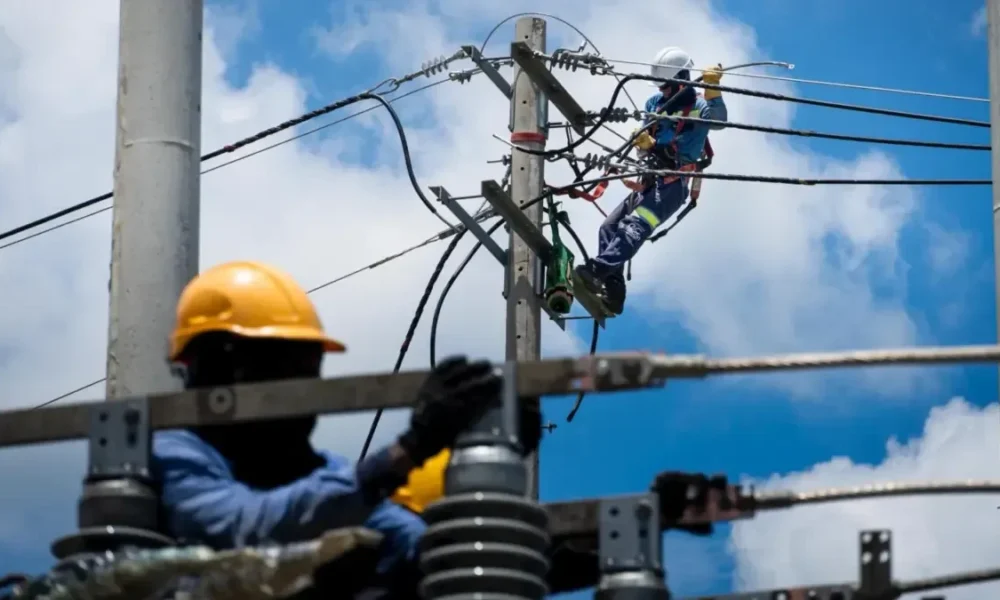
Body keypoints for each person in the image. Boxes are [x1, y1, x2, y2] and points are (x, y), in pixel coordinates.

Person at [152, 260, 517, 598]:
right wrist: (410, 448)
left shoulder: (326, 475)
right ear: (218, 367)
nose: (304, 385)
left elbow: (420, 554)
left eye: (310, 367)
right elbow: (246, 528)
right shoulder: (174, 457)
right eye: (286, 366)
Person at [575, 47, 728, 315]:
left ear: (682, 78)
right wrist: (644, 144)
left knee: (634, 226)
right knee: (609, 228)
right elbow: (646, 144)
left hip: (674, 183)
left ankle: (597, 270)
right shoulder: (654, 104)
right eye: (662, 86)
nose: (664, 91)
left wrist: (713, 88)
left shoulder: (700, 106)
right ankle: (612, 292)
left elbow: (719, 122)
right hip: (650, 179)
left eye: (668, 86)